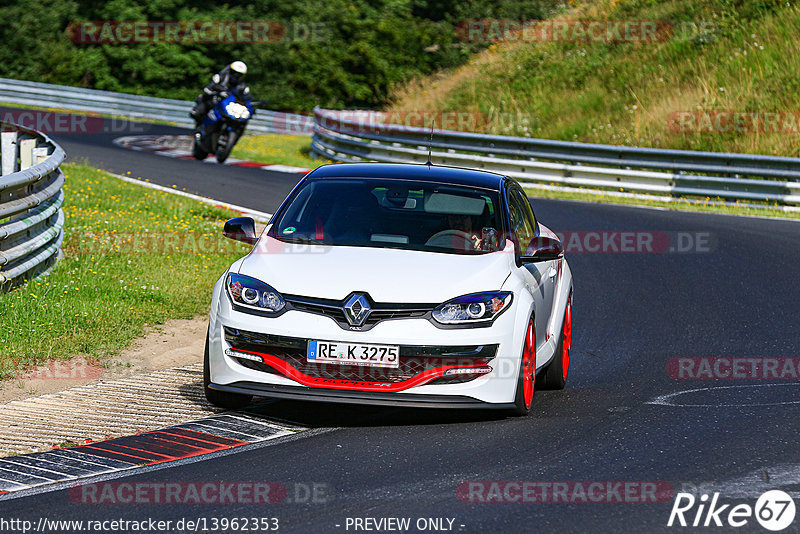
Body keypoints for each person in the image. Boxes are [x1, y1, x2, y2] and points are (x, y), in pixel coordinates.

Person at [190, 61, 250, 130]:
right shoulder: (219, 77)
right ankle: (199, 127)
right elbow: (207, 89)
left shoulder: (243, 86)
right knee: (198, 111)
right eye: (235, 73)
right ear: (230, 71)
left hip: (229, 106)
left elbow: (247, 97)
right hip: (215, 101)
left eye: (239, 74)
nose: (236, 76)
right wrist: (217, 91)